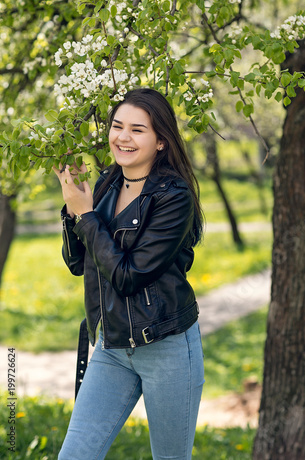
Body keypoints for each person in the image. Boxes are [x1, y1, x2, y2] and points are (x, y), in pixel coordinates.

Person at [54, 88, 205, 460]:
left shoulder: (174, 197)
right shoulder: (107, 182)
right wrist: (74, 208)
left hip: (166, 349)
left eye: (137, 130)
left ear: (160, 141)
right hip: (113, 347)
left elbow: (128, 277)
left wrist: (87, 216)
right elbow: (79, 264)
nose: (123, 137)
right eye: (117, 126)